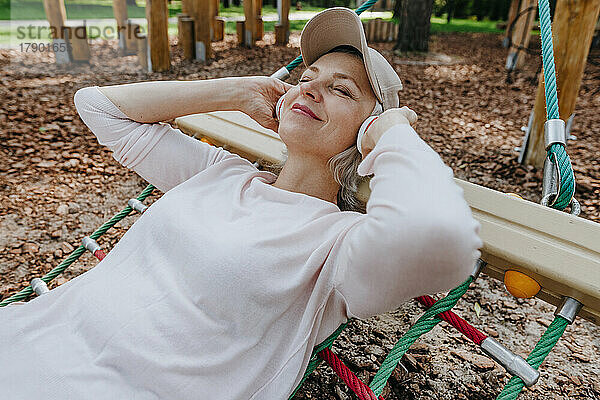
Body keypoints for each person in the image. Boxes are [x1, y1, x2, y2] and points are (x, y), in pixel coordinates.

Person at [0, 8, 482, 399]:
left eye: (341, 89)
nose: (310, 87)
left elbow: (439, 239)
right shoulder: (221, 174)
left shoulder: (337, 246)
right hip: (33, 335)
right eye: (307, 76)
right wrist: (237, 91)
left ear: (365, 132)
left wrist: (392, 133)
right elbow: (98, 107)